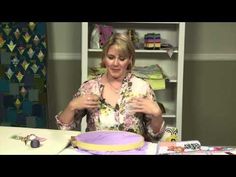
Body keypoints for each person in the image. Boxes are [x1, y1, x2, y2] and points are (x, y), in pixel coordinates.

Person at [55, 33, 165, 142]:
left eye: (122, 58)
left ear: (130, 60)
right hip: (95, 150)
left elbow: (155, 136)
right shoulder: (90, 87)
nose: (115, 63)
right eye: (111, 57)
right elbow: (64, 129)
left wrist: (157, 115)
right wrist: (72, 106)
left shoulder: (141, 87)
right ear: (104, 58)